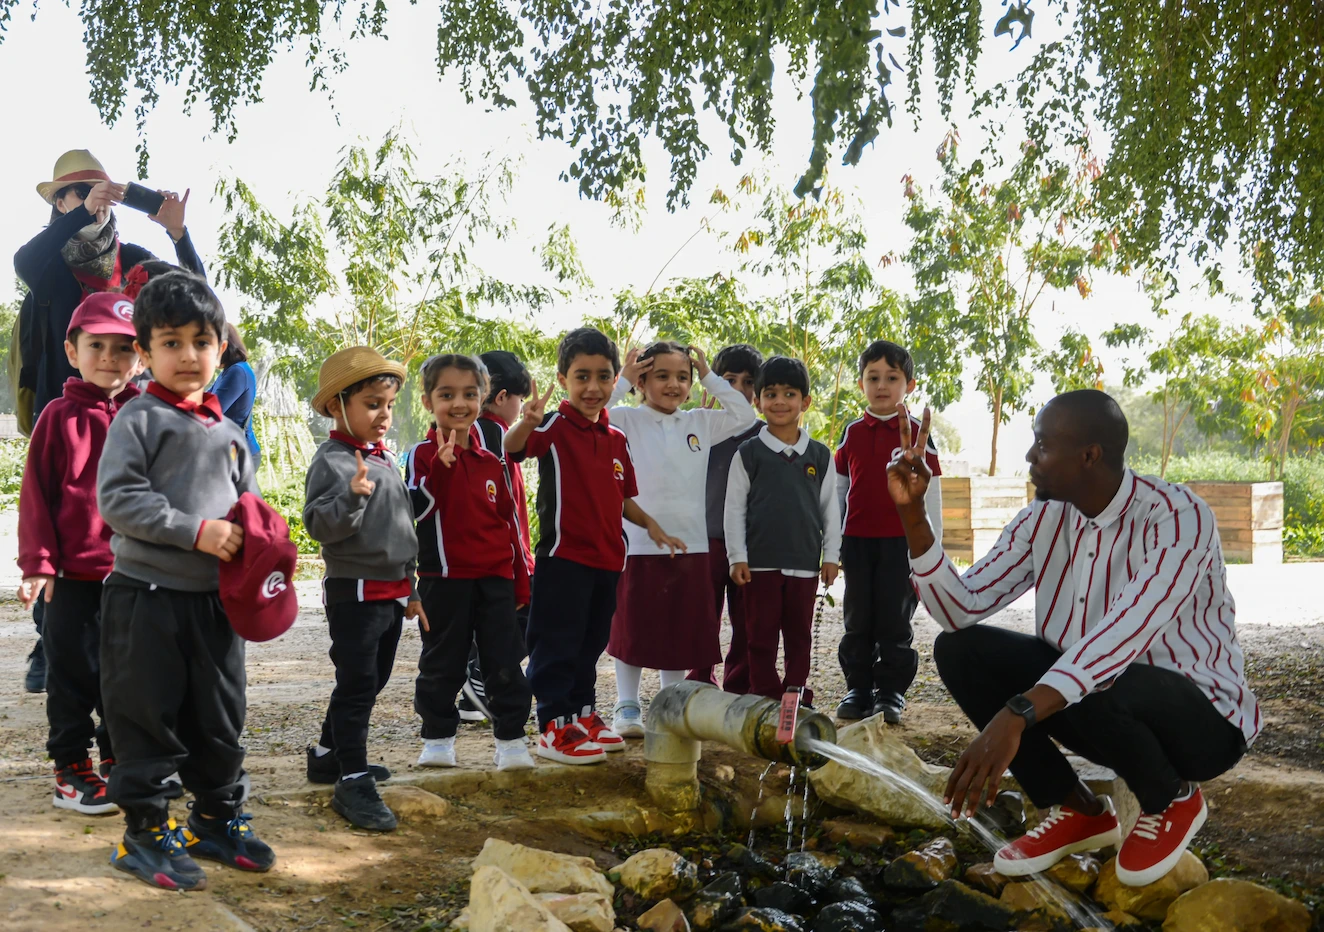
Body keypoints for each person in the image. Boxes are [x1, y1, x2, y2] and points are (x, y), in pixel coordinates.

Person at [886, 390, 1258, 888]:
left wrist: (1016, 713)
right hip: (1101, 712)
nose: (1029, 456)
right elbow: (959, 608)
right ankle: (1079, 809)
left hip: (1201, 726)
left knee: (1098, 670)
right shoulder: (1045, 518)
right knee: (961, 649)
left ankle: (1172, 799)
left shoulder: (1175, 516)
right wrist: (913, 517)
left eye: (1042, 444)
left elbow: (1124, 634)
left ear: (1090, 455)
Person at [97, 271, 274, 890]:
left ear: (222, 349)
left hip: (213, 603)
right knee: (148, 716)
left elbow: (247, 506)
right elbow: (117, 499)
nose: (189, 355)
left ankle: (216, 818)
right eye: (171, 343)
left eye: (203, 341)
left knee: (219, 716)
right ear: (144, 353)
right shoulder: (139, 420)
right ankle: (144, 835)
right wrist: (193, 531)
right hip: (144, 597)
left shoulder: (229, 435)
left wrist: (262, 535)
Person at [15, 150, 203, 695]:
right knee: (63, 519)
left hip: (131, 416)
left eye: (97, 190)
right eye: (74, 193)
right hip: (64, 410)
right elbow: (24, 262)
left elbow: (195, 299)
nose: (89, 199)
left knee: (116, 522)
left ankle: (105, 634)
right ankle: (51, 636)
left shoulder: (135, 260)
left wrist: (177, 233)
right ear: (60, 205)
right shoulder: (50, 264)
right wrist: (79, 216)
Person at [505, 327, 685, 765]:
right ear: (564, 378)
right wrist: (526, 420)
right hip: (564, 559)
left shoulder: (616, 439)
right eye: (581, 376)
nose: (593, 387)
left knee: (590, 645)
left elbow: (623, 499)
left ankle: (581, 716)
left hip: (608, 561)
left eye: (604, 377)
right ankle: (552, 726)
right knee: (556, 645)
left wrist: (653, 527)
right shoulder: (551, 426)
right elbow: (513, 448)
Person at [17, 293, 142, 815]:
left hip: (133, 574)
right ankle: (71, 769)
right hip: (71, 577)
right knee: (71, 675)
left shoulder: (145, 415)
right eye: (97, 346)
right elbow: (36, 496)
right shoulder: (57, 416)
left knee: (127, 673)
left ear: (142, 357)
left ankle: (121, 761)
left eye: (123, 348)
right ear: (72, 350)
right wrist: (37, 565)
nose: (109, 358)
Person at [603, 340, 758, 736]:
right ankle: (626, 704)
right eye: (661, 376)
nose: (673, 385)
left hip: (690, 544)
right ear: (643, 380)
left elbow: (743, 413)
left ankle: (668, 705)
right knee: (632, 627)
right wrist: (623, 379)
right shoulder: (624, 418)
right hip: (638, 543)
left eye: (682, 377)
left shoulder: (701, 423)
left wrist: (709, 375)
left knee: (677, 627)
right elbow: (592, 413)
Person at [302, 347, 427, 832]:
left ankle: (329, 755)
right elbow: (318, 525)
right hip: (354, 590)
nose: (383, 414)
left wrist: (412, 587)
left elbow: (403, 529)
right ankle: (352, 779)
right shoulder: (334, 462)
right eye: (372, 403)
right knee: (357, 686)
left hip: (392, 590)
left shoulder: (383, 459)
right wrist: (351, 499)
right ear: (338, 405)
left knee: (370, 680)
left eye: (389, 404)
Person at [405, 353, 536, 771]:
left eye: (469, 394)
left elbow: (509, 526)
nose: (458, 403)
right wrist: (442, 469)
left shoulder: (490, 460)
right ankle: (438, 738)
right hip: (444, 579)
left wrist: (520, 583)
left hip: (494, 580)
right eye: (447, 394)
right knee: (442, 661)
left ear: (483, 398)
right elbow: (419, 513)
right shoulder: (421, 455)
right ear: (428, 401)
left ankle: (511, 740)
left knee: (504, 662)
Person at [833, 340, 943, 724]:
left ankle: (891, 691)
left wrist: (930, 555)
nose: (881, 385)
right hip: (858, 542)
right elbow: (836, 492)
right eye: (873, 377)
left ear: (909, 385)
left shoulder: (920, 438)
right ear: (860, 383)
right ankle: (858, 689)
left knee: (894, 620)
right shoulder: (851, 434)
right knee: (858, 617)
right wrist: (832, 547)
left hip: (903, 545)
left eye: (892, 378)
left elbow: (934, 500)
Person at [724, 356, 841, 705]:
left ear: (805, 402)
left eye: (789, 394)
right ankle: (762, 694)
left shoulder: (819, 455)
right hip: (758, 564)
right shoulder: (748, 453)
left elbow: (830, 510)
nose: (779, 401)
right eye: (770, 393)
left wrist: (831, 556)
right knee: (758, 636)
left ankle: (794, 694)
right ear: (758, 400)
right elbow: (733, 509)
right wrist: (736, 557)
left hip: (804, 564)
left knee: (798, 636)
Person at [453, 349, 536, 724]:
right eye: (519, 400)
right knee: (530, 611)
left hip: (475, 549)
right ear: (502, 398)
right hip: (502, 549)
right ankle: (479, 674)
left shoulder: (473, 433)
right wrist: (522, 556)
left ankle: (472, 698)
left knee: (488, 617)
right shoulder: (495, 435)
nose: (521, 408)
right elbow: (504, 506)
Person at [692, 344, 764, 691]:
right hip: (704, 536)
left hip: (750, 543)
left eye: (748, 382)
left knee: (748, 618)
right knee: (702, 615)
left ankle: (741, 684)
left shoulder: (765, 434)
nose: (738, 389)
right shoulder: (699, 428)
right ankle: (698, 680)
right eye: (729, 380)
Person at [213, 323, 261, 462]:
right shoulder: (228, 371)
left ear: (224, 346)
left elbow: (213, 411)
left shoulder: (238, 371)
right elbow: (204, 399)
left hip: (241, 455)